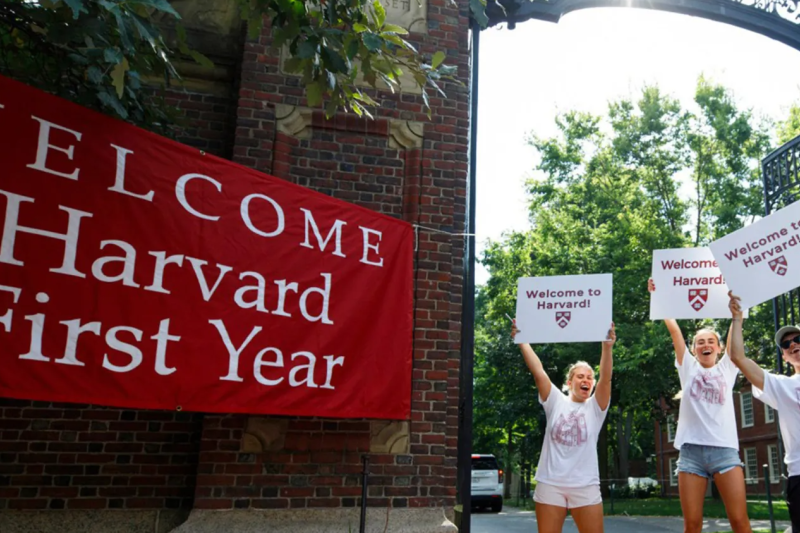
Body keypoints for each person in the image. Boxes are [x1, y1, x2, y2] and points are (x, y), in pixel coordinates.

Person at [648, 279, 751, 533]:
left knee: (739, 521)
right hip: (691, 454)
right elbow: (674, 331)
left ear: (718, 348)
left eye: (710, 342)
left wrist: (737, 315)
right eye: (699, 342)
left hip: (724, 452)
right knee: (692, 525)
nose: (705, 345)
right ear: (693, 350)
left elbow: (734, 337)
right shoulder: (688, 367)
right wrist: (659, 296)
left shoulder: (728, 368)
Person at [511, 320, 615, 533]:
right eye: (580, 376)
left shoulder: (596, 407)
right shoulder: (555, 400)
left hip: (585, 485)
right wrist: (522, 342)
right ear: (570, 382)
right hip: (551, 484)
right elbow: (538, 371)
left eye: (589, 377)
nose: (586, 380)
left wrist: (607, 347)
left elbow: (606, 379)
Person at [727, 290, 800, 533]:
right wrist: (737, 318)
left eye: (798, 339)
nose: (793, 345)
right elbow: (738, 357)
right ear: (784, 356)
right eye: (787, 344)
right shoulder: (783, 386)